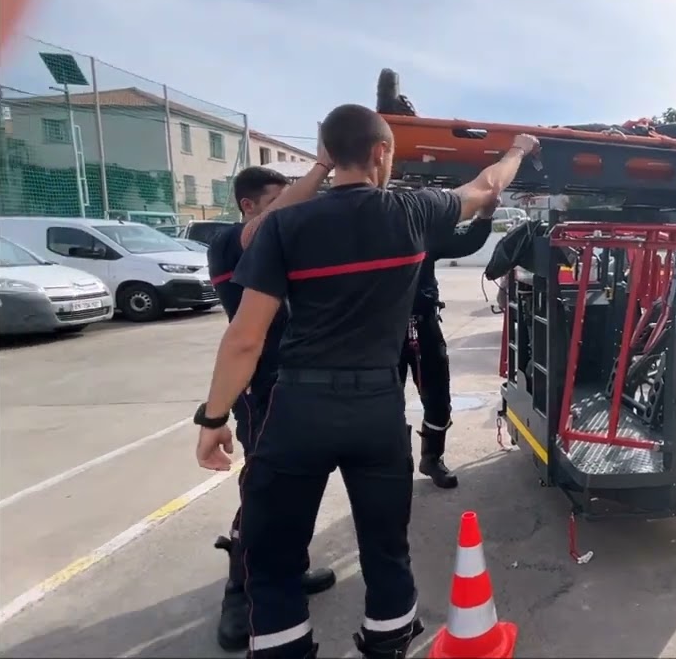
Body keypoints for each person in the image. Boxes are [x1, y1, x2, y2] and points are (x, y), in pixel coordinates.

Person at [192, 102, 537, 659]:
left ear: (330, 155)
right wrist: (519, 148)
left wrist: (212, 419)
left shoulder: (283, 224)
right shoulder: (414, 212)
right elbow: (487, 182)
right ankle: (386, 649)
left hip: (297, 407)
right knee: (386, 554)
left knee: (274, 562)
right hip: (376, 408)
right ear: (381, 153)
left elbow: (245, 339)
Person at [205, 163, 338, 652]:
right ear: (249, 207)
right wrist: (322, 167)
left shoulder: (279, 246)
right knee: (260, 493)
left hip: (298, 387)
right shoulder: (228, 243)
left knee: (297, 488)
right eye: (278, 203)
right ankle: (239, 593)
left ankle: (288, 569)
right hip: (258, 391)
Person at [400, 214, 495, 488]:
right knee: (386, 402)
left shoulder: (422, 232)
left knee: (439, 398)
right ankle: (397, 464)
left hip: (425, 327)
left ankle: (431, 459)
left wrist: (485, 217)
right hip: (385, 330)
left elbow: (466, 243)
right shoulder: (372, 234)